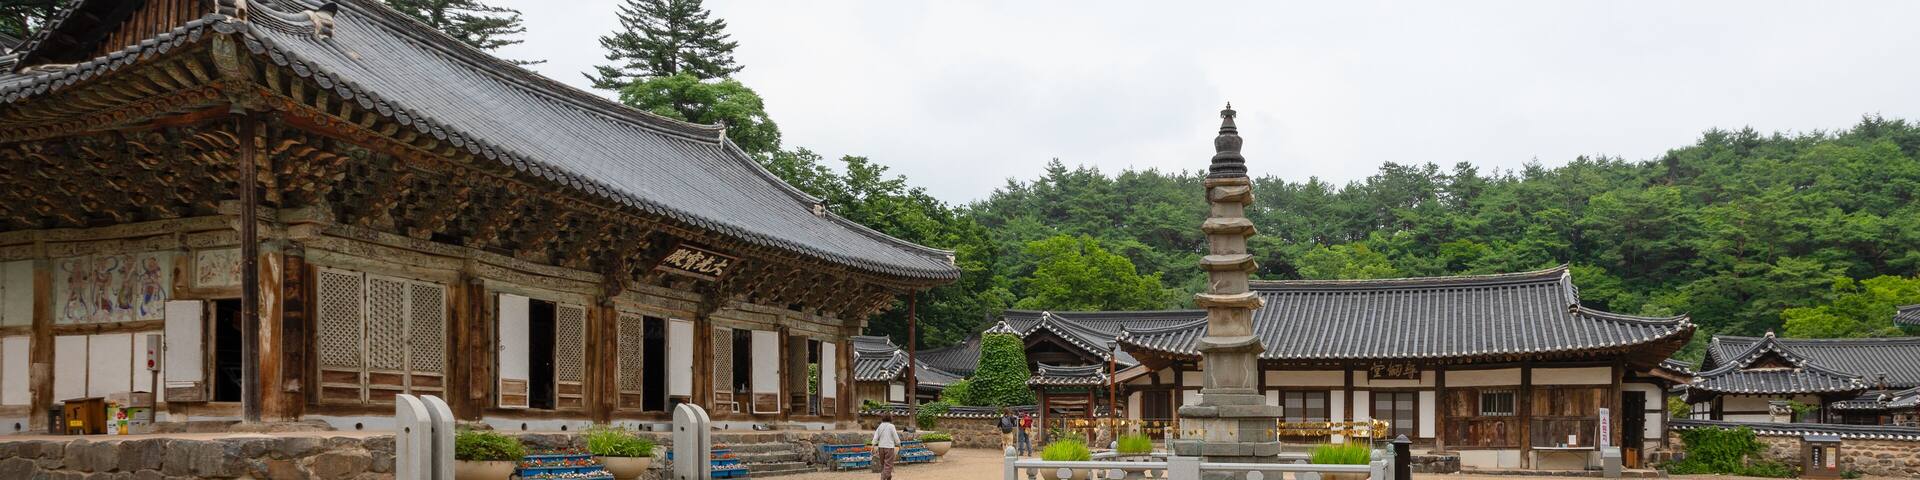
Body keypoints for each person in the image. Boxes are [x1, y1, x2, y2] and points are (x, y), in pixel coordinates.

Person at [872, 414, 900, 480]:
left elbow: (875, 437)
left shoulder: (880, 426)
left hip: (881, 447)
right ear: (890, 419)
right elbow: (896, 437)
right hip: (889, 447)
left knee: (883, 465)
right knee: (888, 464)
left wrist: (873, 445)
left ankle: (888, 477)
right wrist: (899, 444)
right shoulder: (891, 426)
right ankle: (883, 478)